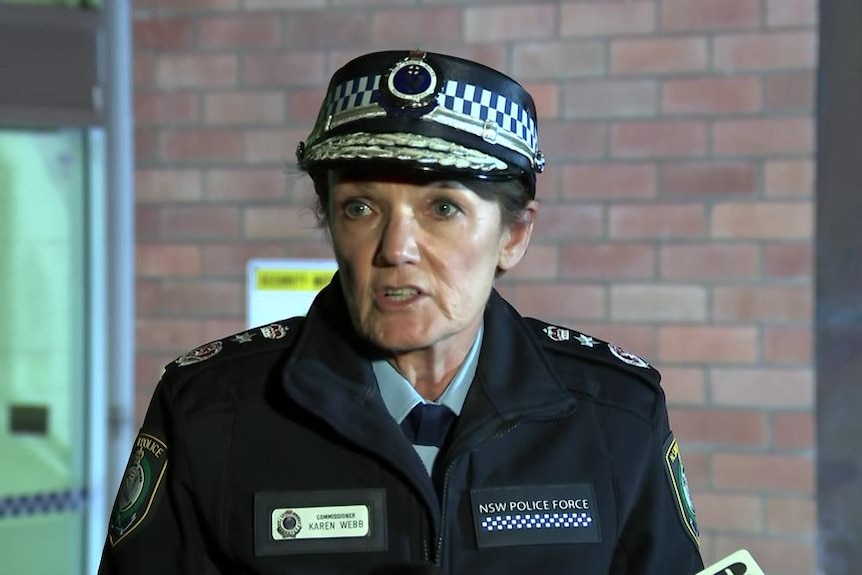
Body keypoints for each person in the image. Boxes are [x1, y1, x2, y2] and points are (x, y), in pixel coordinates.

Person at [99, 50, 704, 574]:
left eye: (442, 209)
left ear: (514, 235)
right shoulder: (211, 411)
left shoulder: (617, 415)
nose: (395, 249)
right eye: (360, 208)